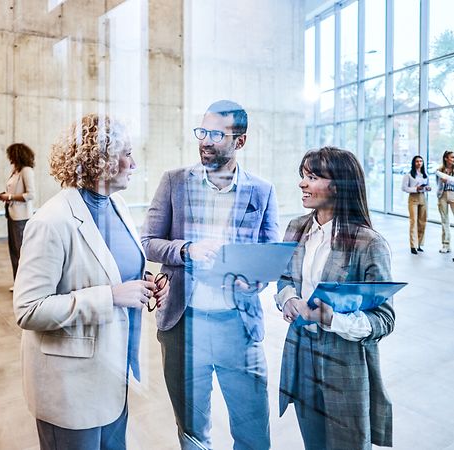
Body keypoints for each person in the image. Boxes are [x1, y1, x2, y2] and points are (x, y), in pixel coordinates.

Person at [13, 114, 169, 450]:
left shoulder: (119, 206)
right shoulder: (51, 221)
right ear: (102, 161)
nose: (134, 162)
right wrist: (111, 296)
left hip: (113, 373)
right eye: (127, 152)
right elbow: (28, 309)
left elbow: (113, 268)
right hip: (71, 386)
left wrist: (145, 281)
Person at [141, 100, 279, 450]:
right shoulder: (174, 182)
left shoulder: (262, 191)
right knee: (192, 432)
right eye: (201, 131)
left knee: (253, 434)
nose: (204, 141)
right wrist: (186, 250)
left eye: (216, 134)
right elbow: (148, 242)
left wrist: (256, 278)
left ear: (240, 141)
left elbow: (268, 255)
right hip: (184, 327)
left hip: (239, 328)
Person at [275, 146, 395, 450]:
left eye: (312, 177)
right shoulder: (296, 228)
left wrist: (333, 319)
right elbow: (285, 279)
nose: (302, 183)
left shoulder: (369, 243)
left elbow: (384, 319)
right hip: (300, 355)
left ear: (339, 184)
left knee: (348, 444)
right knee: (312, 442)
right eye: (302, 176)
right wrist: (289, 299)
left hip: (344, 363)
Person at [0, 143, 35, 288]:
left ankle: (25, 285)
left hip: (22, 217)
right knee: (13, 251)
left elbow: (30, 195)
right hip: (11, 214)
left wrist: (10, 197)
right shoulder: (15, 171)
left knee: (22, 252)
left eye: (11, 154)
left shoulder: (26, 171)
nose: (9, 157)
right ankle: (18, 282)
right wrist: (6, 196)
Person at [401, 155, 431, 254]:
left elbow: (428, 185)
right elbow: (404, 188)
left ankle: (419, 244)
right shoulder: (409, 175)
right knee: (413, 222)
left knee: (422, 222)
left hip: (423, 198)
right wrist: (415, 189)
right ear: (414, 163)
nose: (419, 163)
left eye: (421, 161)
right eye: (417, 161)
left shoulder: (424, 175)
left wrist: (427, 188)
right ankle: (413, 246)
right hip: (413, 198)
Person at [435, 150, 454, 254]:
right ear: (446, 158)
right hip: (442, 196)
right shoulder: (439, 170)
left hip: (453, 195)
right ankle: (446, 245)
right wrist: (442, 182)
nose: (453, 159)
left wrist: (449, 180)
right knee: (444, 221)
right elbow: (438, 185)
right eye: (452, 157)